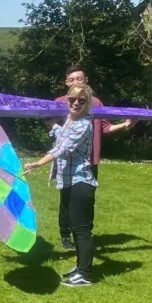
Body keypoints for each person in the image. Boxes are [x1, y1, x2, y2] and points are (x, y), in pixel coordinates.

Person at [52, 66, 132, 250]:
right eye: (71, 79)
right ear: (66, 83)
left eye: (79, 78)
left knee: (87, 199)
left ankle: (84, 233)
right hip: (66, 160)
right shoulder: (59, 102)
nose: (75, 82)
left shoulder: (96, 102)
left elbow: (105, 127)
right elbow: (50, 124)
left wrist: (124, 125)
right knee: (66, 199)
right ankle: (66, 236)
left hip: (90, 160)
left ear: (86, 80)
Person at [26, 84, 98, 287]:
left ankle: (85, 274)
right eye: (72, 99)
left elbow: (62, 148)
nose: (76, 103)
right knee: (75, 229)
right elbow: (63, 137)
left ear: (87, 103)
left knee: (82, 231)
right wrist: (54, 126)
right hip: (68, 182)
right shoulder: (69, 120)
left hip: (80, 182)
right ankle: (80, 267)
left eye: (81, 100)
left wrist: (39, 163)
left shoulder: (83, 124)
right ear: (66, 100)